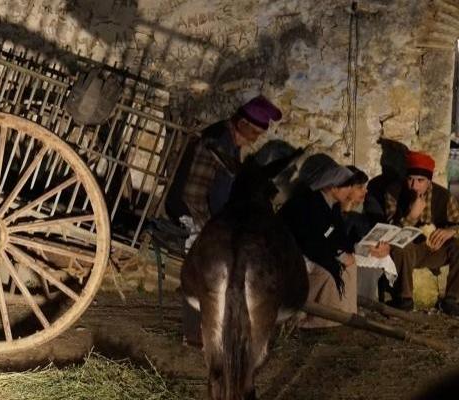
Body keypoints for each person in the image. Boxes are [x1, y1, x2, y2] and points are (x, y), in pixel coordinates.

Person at [165, 95, 282, 227]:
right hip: (188, 209)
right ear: (242, 123)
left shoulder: (226, 136)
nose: (254, 140)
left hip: (184, 203)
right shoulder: (223, 143)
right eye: (254, 133)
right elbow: (217, 194)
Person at [280, 154, 357, 328]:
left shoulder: (334, 205)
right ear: (333, 188)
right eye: (347, 186)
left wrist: (346, 252)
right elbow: (309, 241)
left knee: (351, 264)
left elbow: (339, 235)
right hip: (295, 252)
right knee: (327, 273)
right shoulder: (307, 205)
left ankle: (345, 311)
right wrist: (336, 256)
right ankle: (313, 317)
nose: (350, 191)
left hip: (318, 250)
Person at [385, 151, 459, 316]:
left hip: (435, 249)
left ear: (429, 180)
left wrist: (450, 231)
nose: (414, 185)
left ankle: (451, 300)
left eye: (420, 180)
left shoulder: (444, 196)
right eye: (410, 179)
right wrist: (411, 216)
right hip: (410, 251)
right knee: (401, 248)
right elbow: (391, 233)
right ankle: (405, 299)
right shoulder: (394, 193)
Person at [340, 166, 395, 301]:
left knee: (377, 259)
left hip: (365, 249)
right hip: (344, 250)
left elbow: (379, 229)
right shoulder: (334, 204)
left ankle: (365, 302)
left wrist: (385, 247)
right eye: (360, 187)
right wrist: (346, 213)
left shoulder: (369, 203)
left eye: (365, 187)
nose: (365, 191)